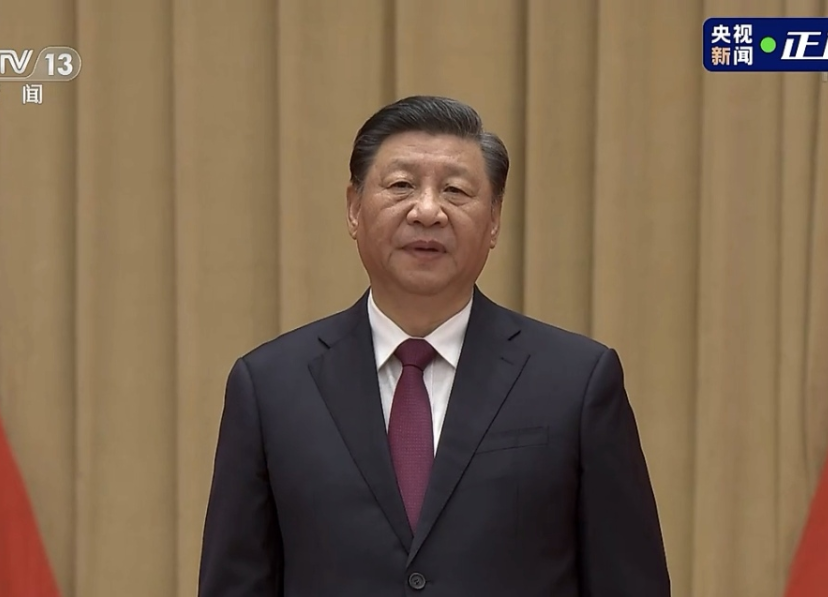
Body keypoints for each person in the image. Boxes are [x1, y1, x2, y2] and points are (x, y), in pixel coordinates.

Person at [197, 95, 671, 596]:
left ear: (494, 220)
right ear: (354, 208)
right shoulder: (270, 387)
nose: (427, 211)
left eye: (456, 190)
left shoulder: (576, 381)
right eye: (401, 186)